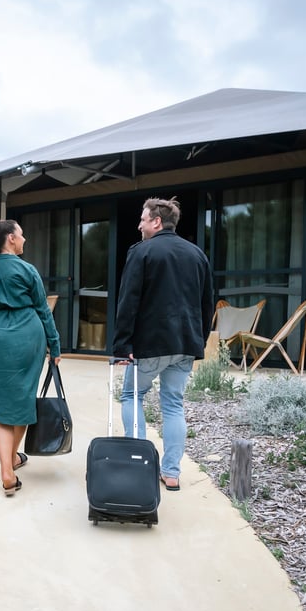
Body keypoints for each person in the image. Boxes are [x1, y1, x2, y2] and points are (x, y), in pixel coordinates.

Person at [111, 197, 213, 492]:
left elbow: (128, 301)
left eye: (143, 219)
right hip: (186, 343)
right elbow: (207, 305)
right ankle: (171, 473)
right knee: (173, 404)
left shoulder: (141, 252)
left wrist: (121, 345)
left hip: (151, 344)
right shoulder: (197, 254)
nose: (138, 224)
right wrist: (199, 340)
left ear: (156, 221)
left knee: (132, 395)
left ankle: (139, 464)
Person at [0, 219, 61, 496]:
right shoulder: (27, 270)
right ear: (10, 239)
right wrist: (54, 346)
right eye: (21, 234)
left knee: (1, 405)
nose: (25, 239)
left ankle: (8, 470)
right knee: (23, 400)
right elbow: (43, 310)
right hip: (29, 336)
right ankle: (12, 459)